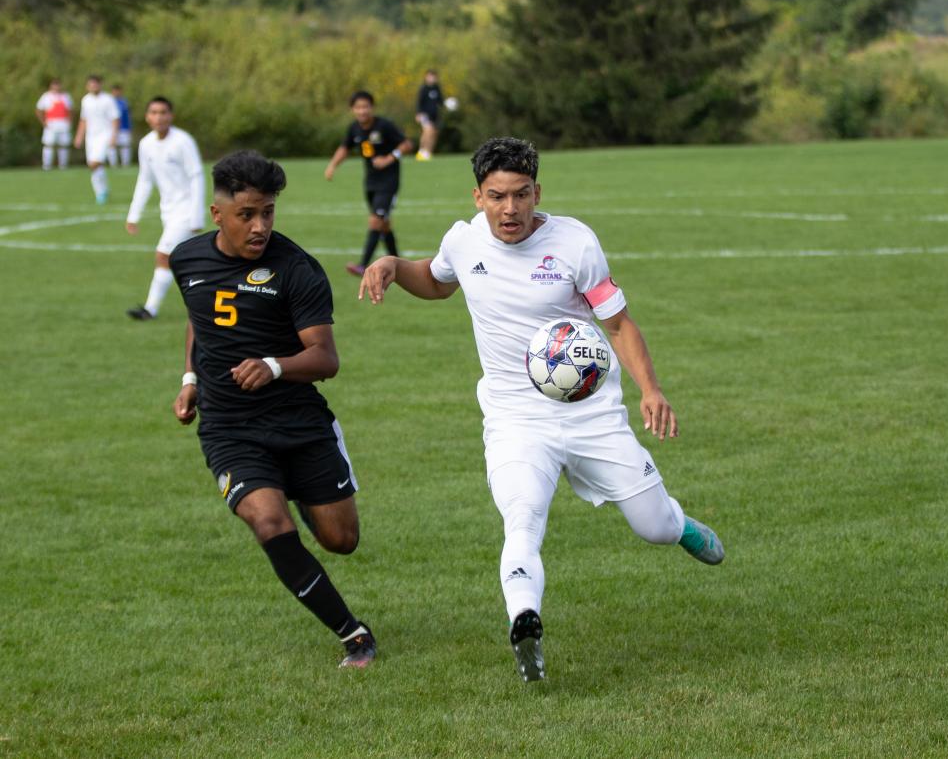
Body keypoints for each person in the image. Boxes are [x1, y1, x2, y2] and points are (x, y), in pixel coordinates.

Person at [357, 136, 723, 684]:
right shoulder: (463, 241)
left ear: (537, 192)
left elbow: (618, 324)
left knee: (653, 529)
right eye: (498, 196)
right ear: (478, 196)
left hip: (591, 414)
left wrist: (651, 389)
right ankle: (524, 621)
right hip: (514, 419)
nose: (510, 209)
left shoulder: (575, 243)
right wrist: (390, 264)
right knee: (522, 518)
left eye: (521, 195)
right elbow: (436, 281)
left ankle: (680, 525)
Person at [169, 150, 376, 669]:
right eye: (247, 214)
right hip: (229, 426)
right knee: (267, 521)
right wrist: (191, 378)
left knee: (341, 540)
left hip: (298, 420)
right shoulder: (187, 259)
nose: (259, 225)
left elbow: (326, 358)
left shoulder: (296, 269)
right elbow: (201, 319)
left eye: (268, 212)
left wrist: (275, 366)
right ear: (218, 215)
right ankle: (353, 634)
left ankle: (303, 490)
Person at [125, 97, 205, 320]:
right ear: (147, 117)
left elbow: (196, 176)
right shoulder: (146, 144)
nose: (159, 117)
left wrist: (196, 215)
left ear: (171, 116)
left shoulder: (182, 141)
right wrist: (134, 214)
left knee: (163, 256)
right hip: (168, 212)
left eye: (163, 112)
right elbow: (145, 180)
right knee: (190, 262)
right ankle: (212, 304)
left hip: (185, 211)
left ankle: (150, 309)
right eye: (154, 112)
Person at [324, 91, 413, 278]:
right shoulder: (354, 129)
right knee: (384, 223)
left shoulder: (384, 126)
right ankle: (398, 262)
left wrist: (389, 158)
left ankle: (363, 265)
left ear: (372, 108)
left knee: (375, 221)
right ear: (352, 109)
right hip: (371, 183)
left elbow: (406, 144)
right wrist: (332, 165)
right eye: (358, 107)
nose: (362, 111)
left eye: (365, 106)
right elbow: (345, 148)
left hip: (389, 182)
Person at [74, 74, 120, 204]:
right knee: (93, 165)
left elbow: (115, 119)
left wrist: (114, 136)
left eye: (96, 83)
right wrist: (79, 136)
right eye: (91, 84)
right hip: (91, 137)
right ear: (87, 86)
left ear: (100, 84)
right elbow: (83, 120)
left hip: (105, 134)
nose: (93, 86)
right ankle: (102, 192)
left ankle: (102, 192)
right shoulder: (86, 100)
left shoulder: (108, 99)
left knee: (95, 163)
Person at [35, 78, 73, 171]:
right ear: (51, 86)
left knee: (63, 145)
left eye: (58, 84)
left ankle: (63, 166)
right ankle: (46, 166)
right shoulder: (46, 96)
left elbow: (71, 110)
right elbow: (38, 110)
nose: (56, 87)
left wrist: (69, 121)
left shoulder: (66, 96)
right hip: (51, 123)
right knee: (49, 144)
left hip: (63, 123)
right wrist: (43, 122)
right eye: (54, 85)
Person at [414, 69, 444, 161]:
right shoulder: (423, 89)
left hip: (435, 115)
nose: (432, 78)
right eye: (430, 76)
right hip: (424, 115)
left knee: (434, 133)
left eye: (434, 76)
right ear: (426, 77)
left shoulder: (437, 88)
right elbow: (419, 102)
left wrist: (448, 104)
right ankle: (421, 151)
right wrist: (418, 113)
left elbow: (440, 101)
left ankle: (428, 152)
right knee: (428, 131)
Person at [110, 84, 134, 166]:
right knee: (112, 146)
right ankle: (113, 164)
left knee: (125, 146)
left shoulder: (124, 102)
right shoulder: (109, 102)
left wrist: (130, 126)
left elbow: (129, 115)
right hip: (112, 128)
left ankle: (125, 163)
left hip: (124, 128)